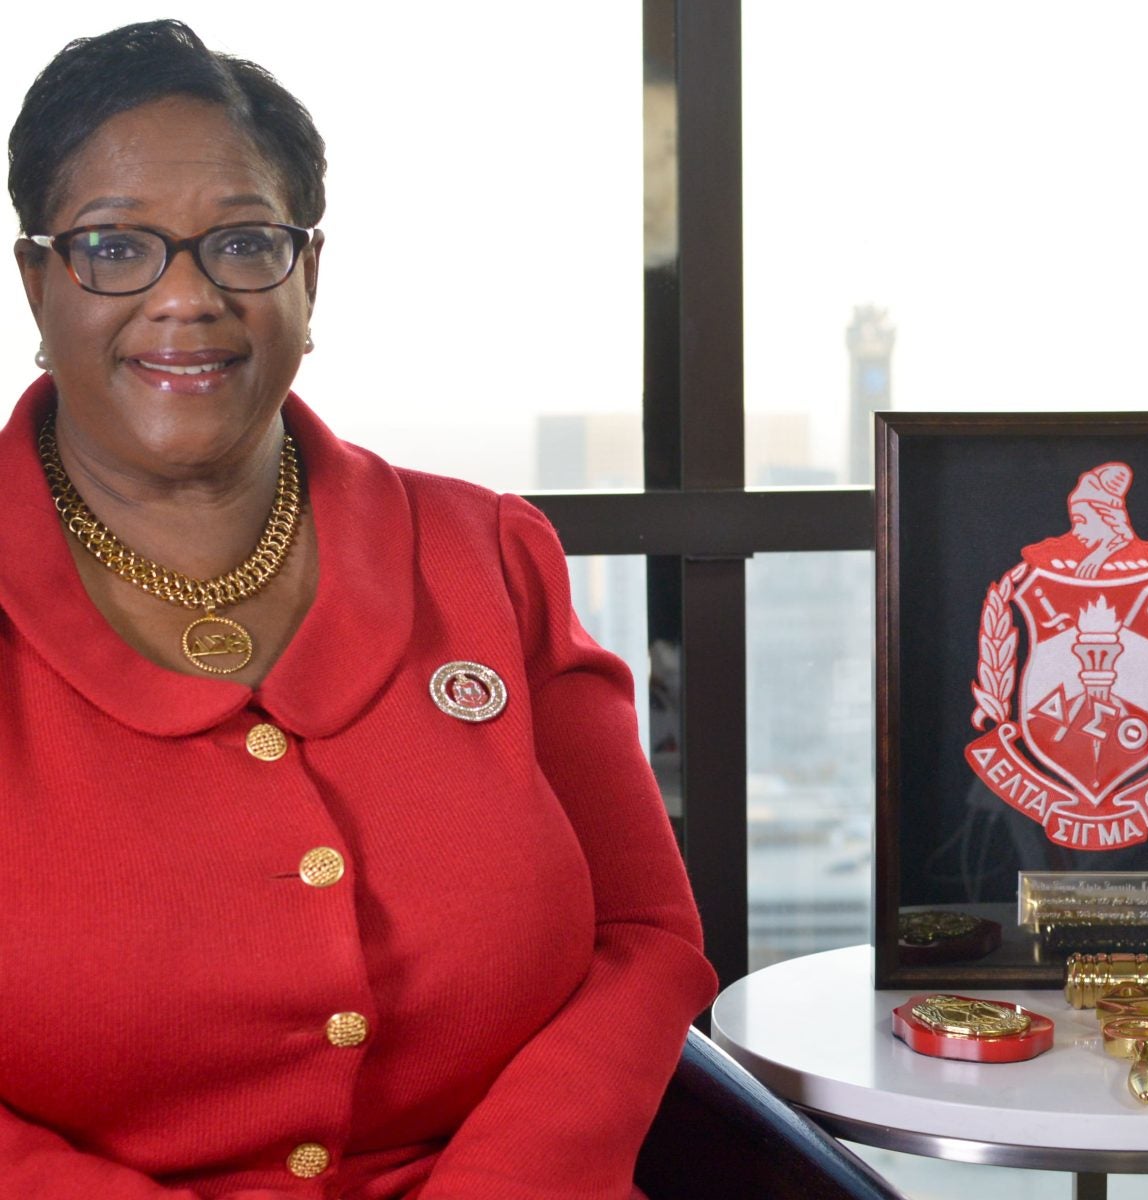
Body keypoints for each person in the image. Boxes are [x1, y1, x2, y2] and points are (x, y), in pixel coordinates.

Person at [2, 20, 716, 1199]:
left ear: (309, 274)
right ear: (39, 281)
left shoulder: (490, 557)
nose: (186, 298)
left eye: (243, 243)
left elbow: (643, 938)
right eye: (116, 247)